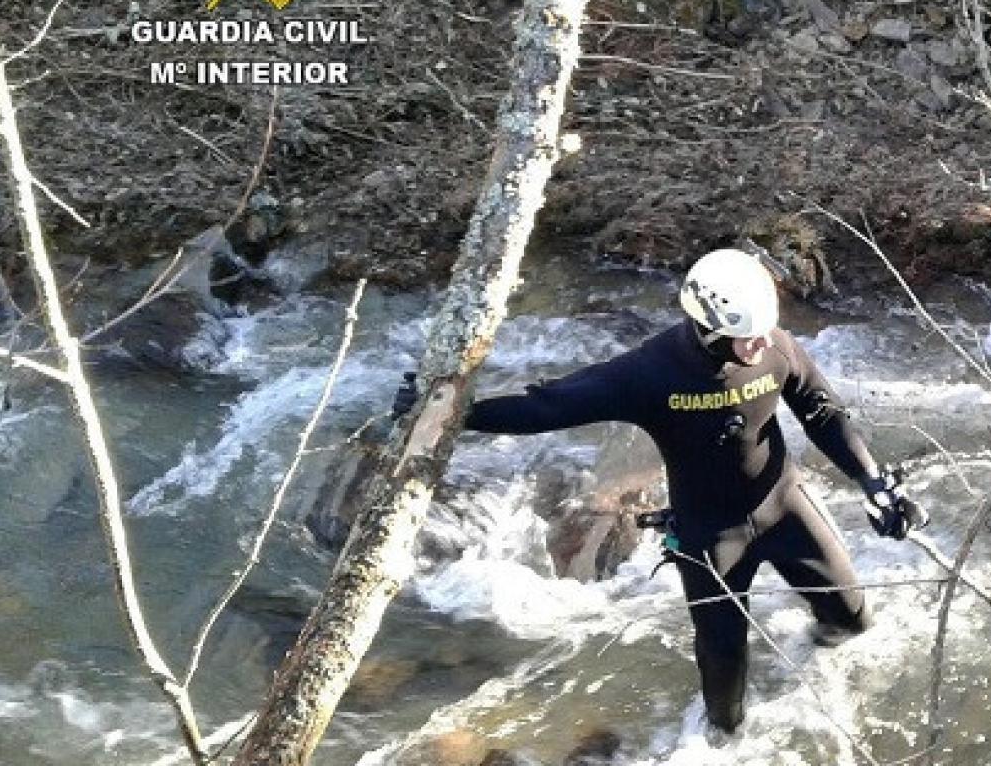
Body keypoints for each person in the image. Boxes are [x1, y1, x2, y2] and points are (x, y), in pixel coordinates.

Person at [394, 248, 927, 735]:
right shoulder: (650, 373)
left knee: (852, 623)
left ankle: (814, 668)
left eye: (768, 330)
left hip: (784, 507)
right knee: (726, 698)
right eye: (749, 336)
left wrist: (872, 482)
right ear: (709, 329)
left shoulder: (775, 348)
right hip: (709, 535)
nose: (763, 343)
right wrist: (448, 410)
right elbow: (547, 407)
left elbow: (823, 412)